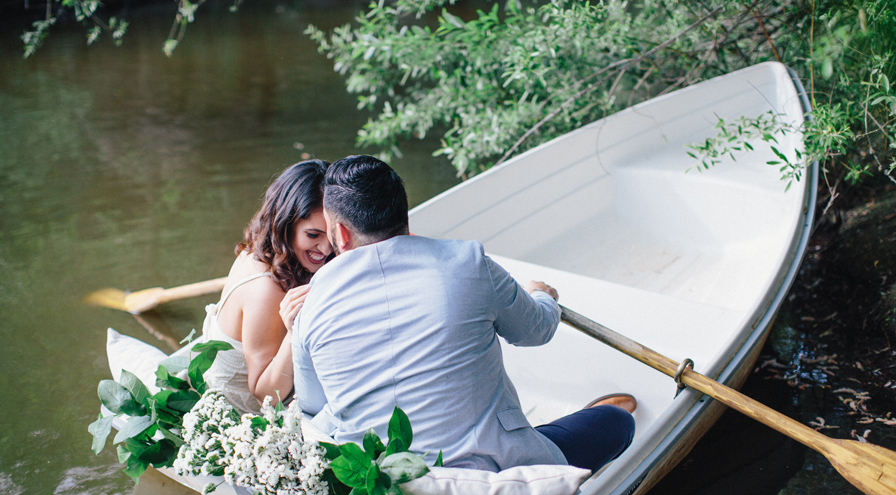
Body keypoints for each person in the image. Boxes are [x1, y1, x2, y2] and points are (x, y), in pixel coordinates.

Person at [292, 155, 635, 472]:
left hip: (385, 487)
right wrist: (543, 296)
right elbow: (537, 330)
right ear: (403, 213)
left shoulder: (311, 306)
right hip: (494, 473)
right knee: (617, 422)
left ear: (340, 232)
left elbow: (310, 408)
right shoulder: (469, 263)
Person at [203, 159, 332, 414]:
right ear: (286, 224)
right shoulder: (267, 289)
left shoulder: (275, 250)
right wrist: (296, 332)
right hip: (249, 414)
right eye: (314, 235)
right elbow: (266, 396)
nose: (326, 248)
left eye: (334, 234)